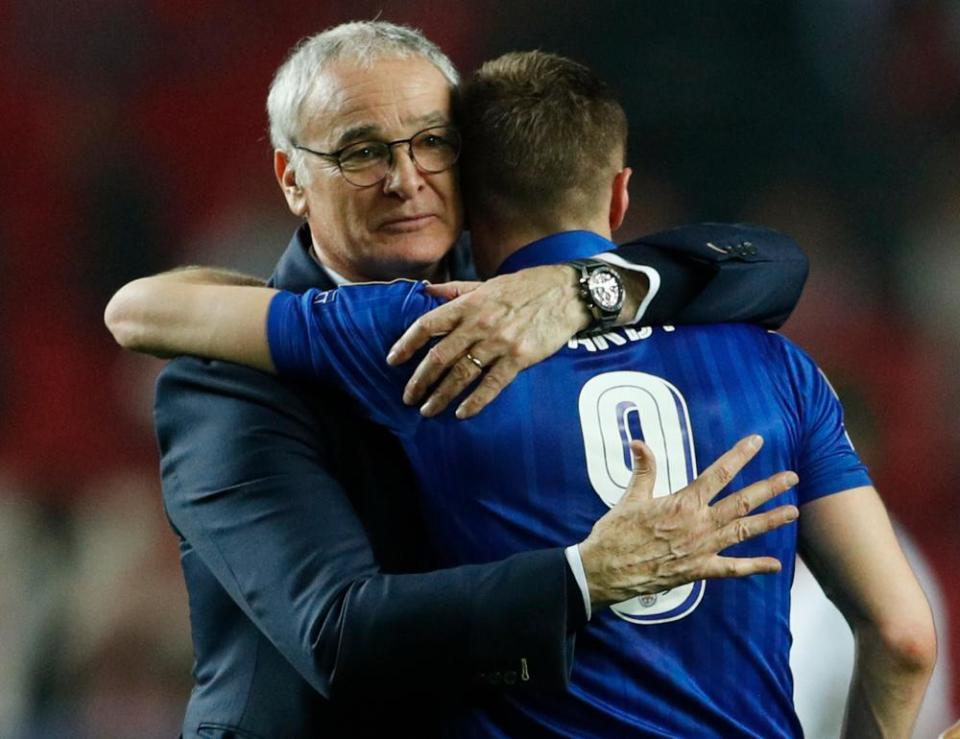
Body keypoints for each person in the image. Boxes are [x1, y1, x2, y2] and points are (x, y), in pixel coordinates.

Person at [108, 48, 939, 736]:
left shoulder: (426, 324)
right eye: (363, 151)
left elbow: (764, 260)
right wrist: (583, 575)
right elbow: (336, 633)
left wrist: (583, 291)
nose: (404, 177)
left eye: (430, 142)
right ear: (291, 178)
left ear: (471, 182)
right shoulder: (775, 363)